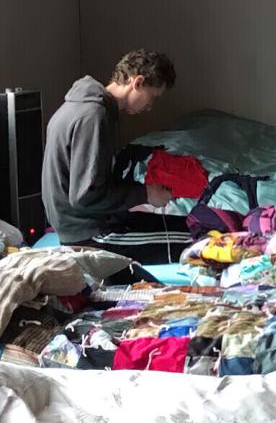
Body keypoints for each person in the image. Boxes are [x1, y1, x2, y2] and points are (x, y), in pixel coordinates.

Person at [41, 50, 187, 268]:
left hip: (91, 222)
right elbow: (84, 196)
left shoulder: (84, 106)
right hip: (88, 237)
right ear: (137, 82)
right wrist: (145, 194)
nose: (150, 106)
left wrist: (145, 192)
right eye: (152, 97)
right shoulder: (93, 116)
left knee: (186, 224)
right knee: (197, 241)